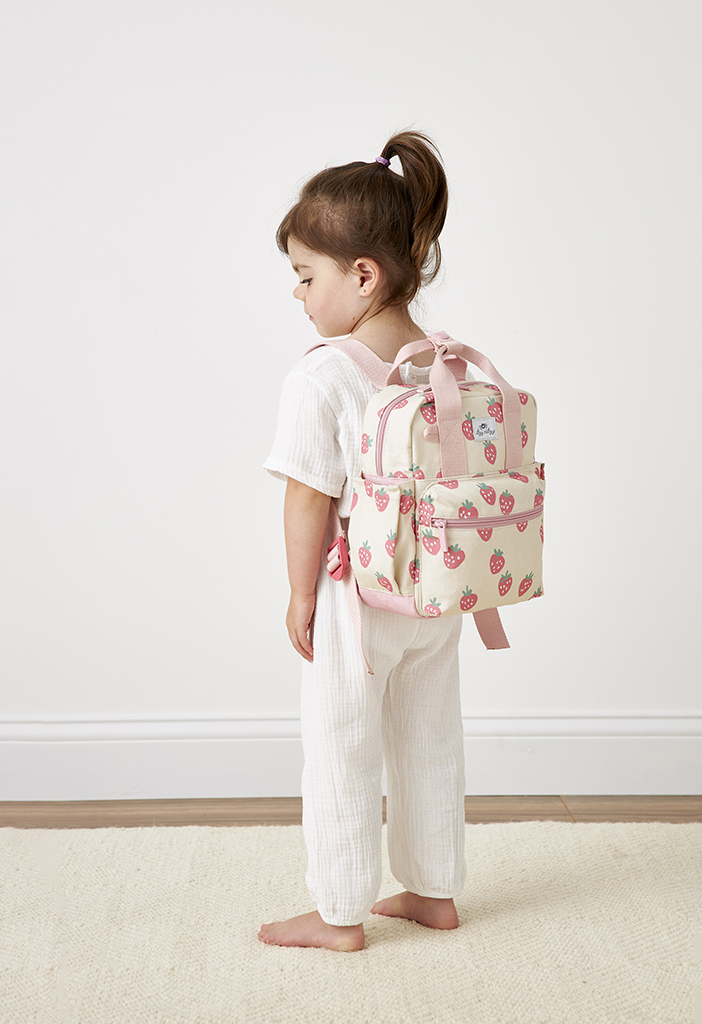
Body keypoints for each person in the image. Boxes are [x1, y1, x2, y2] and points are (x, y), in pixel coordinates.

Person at [259, 131, 466, 952]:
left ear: (363, 275)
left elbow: (310, 496)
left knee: (342, 744)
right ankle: (433, 890)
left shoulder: (322, 374)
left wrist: (302, 593)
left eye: (307, 276)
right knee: (428, 735)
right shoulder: (440, 360)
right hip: (435, 587)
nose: (301, 296)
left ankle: (339, 911)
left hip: (359, 593)